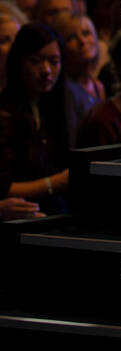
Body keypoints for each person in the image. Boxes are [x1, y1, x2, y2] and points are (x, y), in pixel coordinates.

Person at [0, 23, 71, 214]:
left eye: (54, 61)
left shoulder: (52, 108)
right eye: (36, 60)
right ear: (19, 62)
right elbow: (3, 187)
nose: (46, 70)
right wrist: (54, 183)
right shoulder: (5, 114)